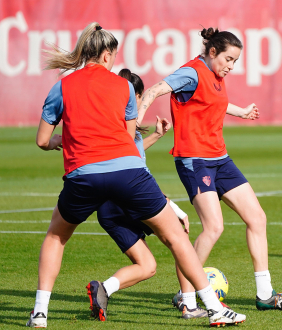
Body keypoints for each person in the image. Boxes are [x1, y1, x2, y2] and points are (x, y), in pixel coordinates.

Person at [26, 22, 245, 328]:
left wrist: (56, 143)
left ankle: (39, 314)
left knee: (56, 236)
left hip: (83, 175)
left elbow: (41, 140)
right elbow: (128, 138)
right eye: (113, 56)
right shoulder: (124, 86)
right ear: (106, 56)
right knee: (176, 238)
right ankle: (214, 308)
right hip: (128, 173)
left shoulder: (61, 87)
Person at [137, 27, 282, 313]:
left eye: (235, 61)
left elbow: (215, 103)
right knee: (214, 227)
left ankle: (264, 294)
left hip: (220, 159)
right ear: (212, 52)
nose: (231, 66)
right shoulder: (191, 72)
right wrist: (135, 122)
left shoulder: (216, 74)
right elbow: (154, 90)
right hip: (194, 160)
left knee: (257, 218)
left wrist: (242, 112)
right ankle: (185, 295)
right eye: (228, 59)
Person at [86, 69, 206, 321]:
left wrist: (155, 136)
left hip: (107, 209)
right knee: (180, 239)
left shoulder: (108, 126)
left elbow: (131, 152)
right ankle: (190, 304)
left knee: (147, 266)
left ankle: (103, 289)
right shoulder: (127, 128)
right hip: (128, 199)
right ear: (136, 95)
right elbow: (137, 181)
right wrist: (173, 208)